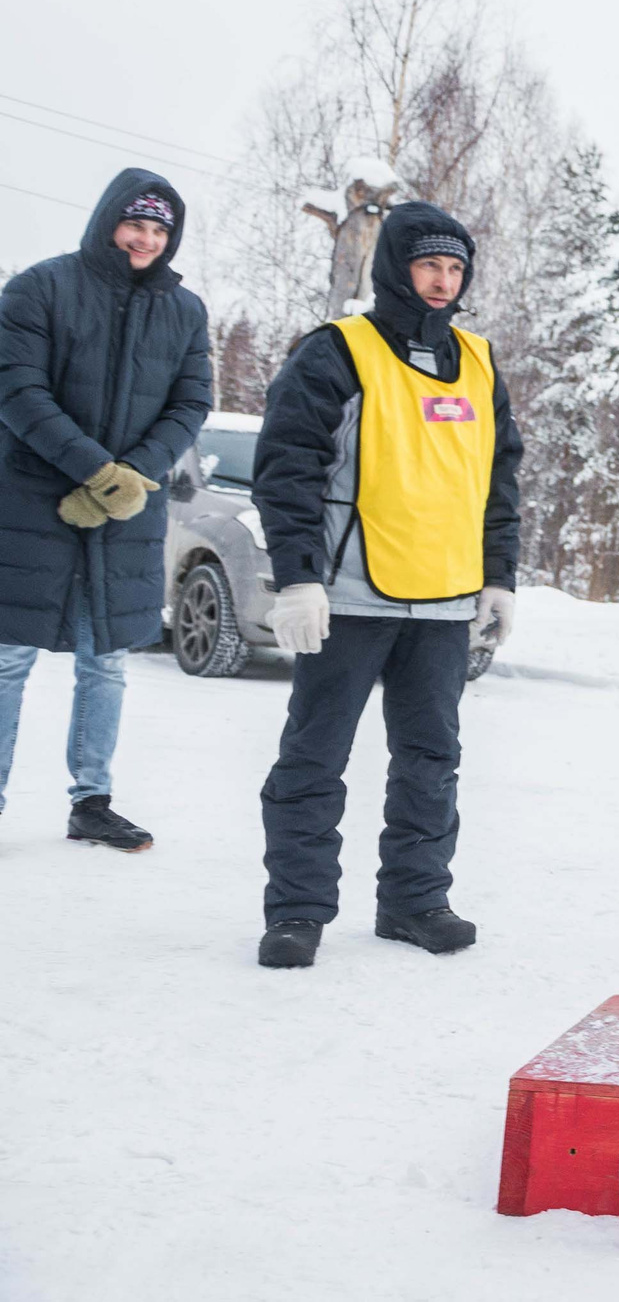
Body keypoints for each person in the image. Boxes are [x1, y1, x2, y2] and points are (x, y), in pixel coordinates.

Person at [251, 203, 522, 970]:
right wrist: (299, 577)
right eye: (428, 265)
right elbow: (288, 466)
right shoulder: (338, 351)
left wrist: (498, 577)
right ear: (397, 268)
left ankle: (415, 899)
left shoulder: (478, 360)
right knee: (314, 756)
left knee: (431, 758)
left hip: (443, 601)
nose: (442, 281)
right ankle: (297, 910)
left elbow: (499, 481)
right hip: (349, 595)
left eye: (456, 268)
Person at [0, 170, 211, 851]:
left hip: (127, 514)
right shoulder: (41, 286)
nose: (147, 239)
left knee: (106, 662)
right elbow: (17, 387)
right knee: (6, 659)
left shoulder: (186, 311)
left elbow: (191, 402)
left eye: (160, 229)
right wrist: (95, 470)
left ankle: (92, 800)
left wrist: (134, 474)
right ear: (107, 222)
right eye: (136, 224)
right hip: (31, 501)